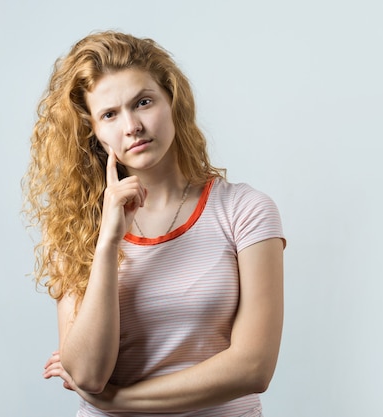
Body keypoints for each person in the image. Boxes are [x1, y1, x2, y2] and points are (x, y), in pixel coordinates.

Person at [23, 30, 286, 417]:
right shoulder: (75, 228)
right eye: (109, 114)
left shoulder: (245, 211)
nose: (131, 126)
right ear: (92, 133)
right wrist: (108, 242)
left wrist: (119, 402)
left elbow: (253, 368)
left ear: (172, 102)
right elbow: (88, 373)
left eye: (143, 102)